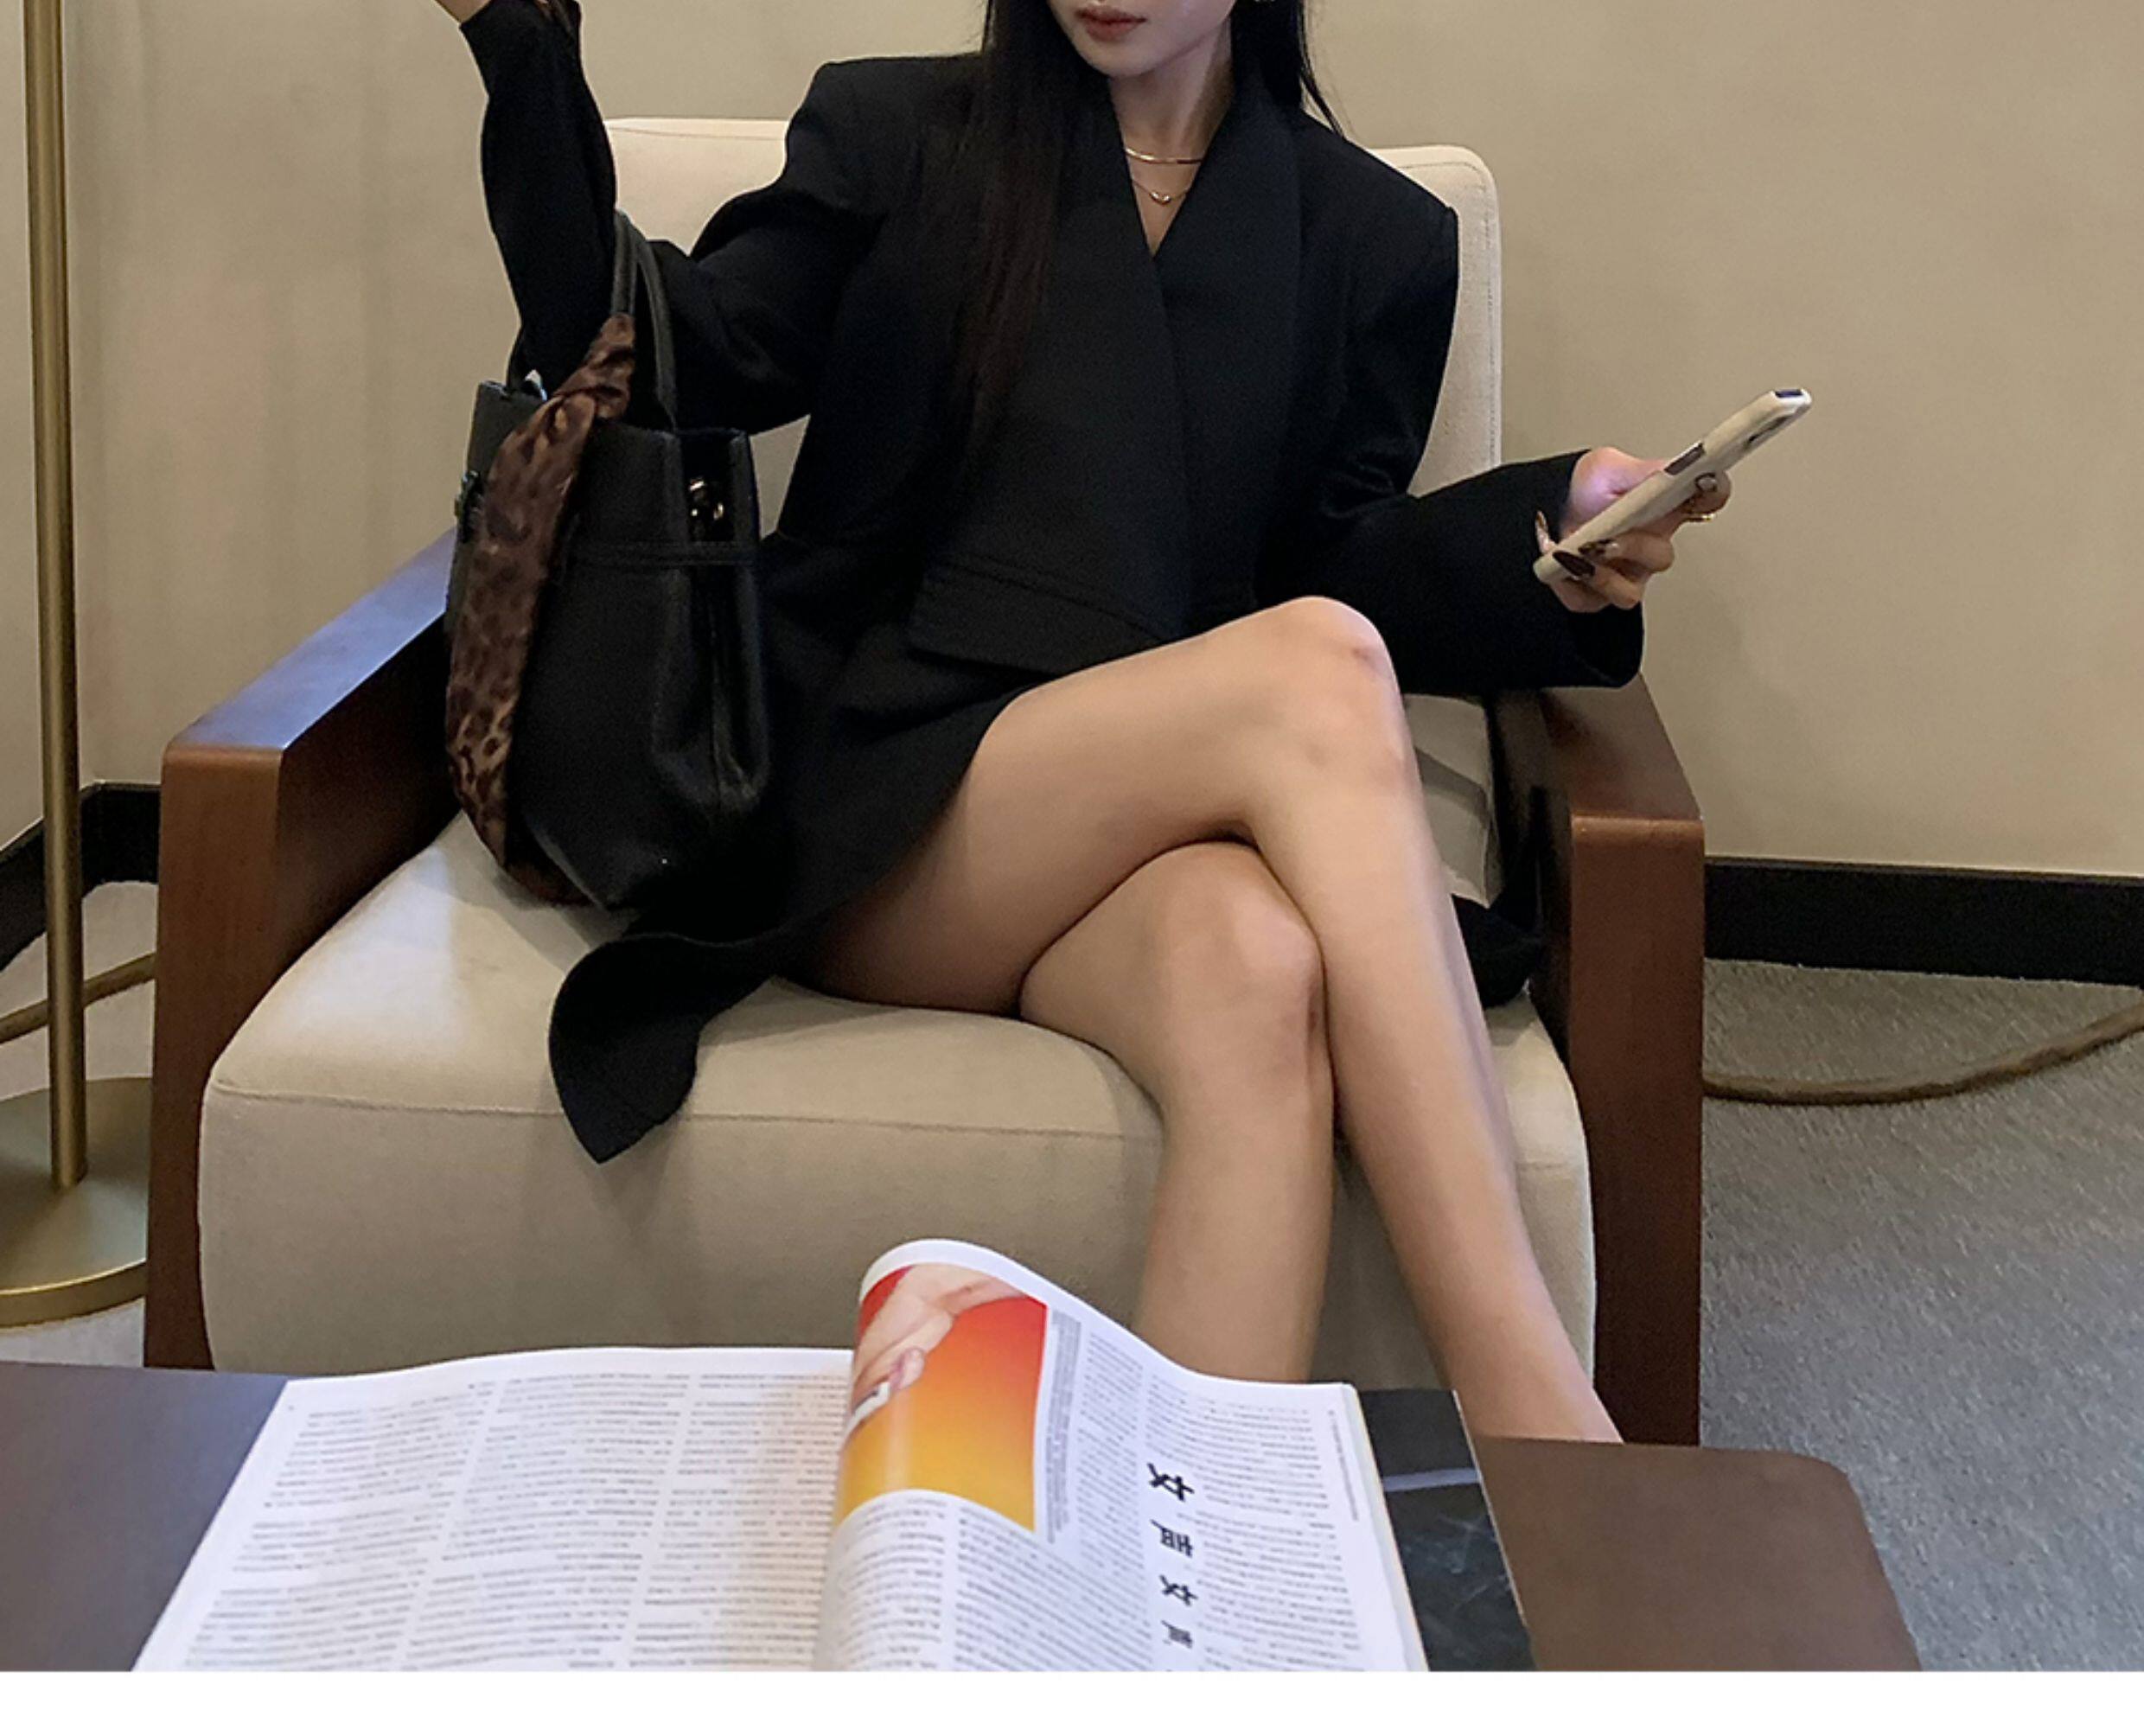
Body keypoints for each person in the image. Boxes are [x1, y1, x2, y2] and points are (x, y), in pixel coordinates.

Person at [437, 0, 1731, 1443]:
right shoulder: (896, 131)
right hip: (883, 807)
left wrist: (1552, 530)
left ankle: (1195, 1539)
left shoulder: (1371, 235)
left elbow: (1337, 557)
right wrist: (521, 47)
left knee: (1259, 974)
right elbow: (659, 355)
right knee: (1312, 667)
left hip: (1142, 831)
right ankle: (1544, 1426)